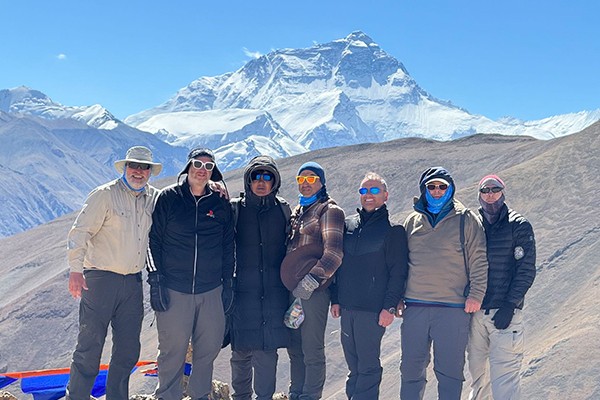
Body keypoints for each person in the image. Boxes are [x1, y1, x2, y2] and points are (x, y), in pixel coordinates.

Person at [65, 146, 162, 400]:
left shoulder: (155, 198)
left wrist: (216, 188)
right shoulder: (104, 195)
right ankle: (77, 397)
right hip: (99, 280)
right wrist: (76, 270)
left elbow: (183, 199)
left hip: (132, 283)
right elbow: (80, 233)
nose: (138, 172)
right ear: (125, 167)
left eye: (144, 167)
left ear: (151, 172)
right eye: (134, 166)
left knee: (129, 348)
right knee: (90, 344)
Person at [146, 147, 234, 400]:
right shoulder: (168, 198)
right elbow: (153, 241)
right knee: (172, 351)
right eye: (197, 163)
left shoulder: (219, 203)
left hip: (211, 290)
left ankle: (199, 395)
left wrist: (228, 283)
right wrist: (156, 280)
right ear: (187, 166)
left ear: (213, 172)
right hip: (174, 288)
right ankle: (167, 396)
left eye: (208, 166)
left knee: (208, 350)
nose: (202, 170)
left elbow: (229, 245)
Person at [399, 167, 489, 400]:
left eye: (442, 186)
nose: (437, 191)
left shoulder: (466, 220)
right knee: (410, 369)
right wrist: (397, 297)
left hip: (452, 309)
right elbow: (401, 264)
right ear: (424, 189)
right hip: (415, 308)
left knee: (449, 372)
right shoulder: (412, 221)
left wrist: (476, 295)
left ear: (450, 189)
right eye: (432, 186)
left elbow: (479, 260)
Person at [330, 172, 409, 400]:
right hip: (346, 308)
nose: (368, 195)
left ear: (385, 195)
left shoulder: (393, 231)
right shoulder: (348, 226)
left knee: (368, 366)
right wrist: (335, 298)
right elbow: (337, 265)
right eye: (364, 190)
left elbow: (398, 274)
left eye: (374, 190)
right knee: (353, 366)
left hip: (373, 311)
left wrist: (389, 307)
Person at [467, 175, 536, 400]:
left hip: (505, 316)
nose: (490, 195)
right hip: (475, 314)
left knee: (505, 383)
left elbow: (526, 270)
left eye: (495, 190)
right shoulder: (471, 225)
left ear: (503, 192)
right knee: (479, 382)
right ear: (479, 195)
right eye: (485, 190)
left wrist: (510, 304)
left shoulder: (519, 225)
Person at [229, 155, 292, 400]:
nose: (261, 181)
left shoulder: (283, 210)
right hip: (243, 294)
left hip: (274, 294)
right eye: (256, 176)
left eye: (267, 177)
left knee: (267, 353)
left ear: (275, 181)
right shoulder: (236, 208)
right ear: (248, 180)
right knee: (240, 353)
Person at [286, 162, 345, 400]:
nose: (306, 184)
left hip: (314, 291)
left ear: (321, 182)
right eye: (301, 179)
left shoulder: (329, 211)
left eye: (311, 179)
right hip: (292, 288)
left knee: (311, 348)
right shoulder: (298, 210)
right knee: (294, 345)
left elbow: (334, 254)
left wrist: (310, 282)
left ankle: (310, 395)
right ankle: (295, 392)